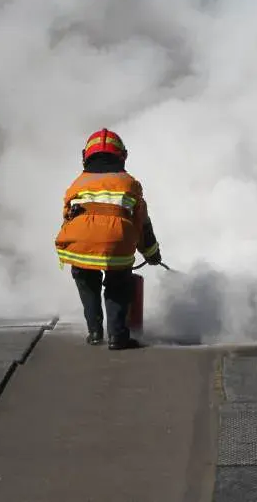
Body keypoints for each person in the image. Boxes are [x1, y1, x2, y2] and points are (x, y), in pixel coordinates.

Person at [55, 129, 161, 350]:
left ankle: (94, 333)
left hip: (79, 246)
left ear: (86, 156)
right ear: (122, 156)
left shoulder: (77, 183)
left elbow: (67, 216)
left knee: (86, 281)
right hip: (117, 246)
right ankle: (118, 337)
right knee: (117, 285)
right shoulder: (130, 184)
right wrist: (151, 254)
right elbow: (142, 225)